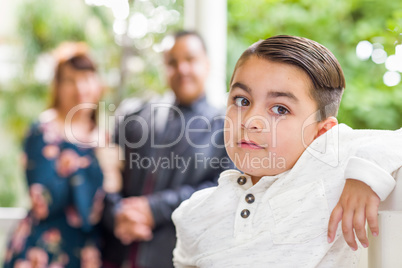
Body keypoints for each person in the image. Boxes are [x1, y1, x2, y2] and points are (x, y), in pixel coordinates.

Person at [172, 35, 402, 267]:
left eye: (280, 109)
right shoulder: (195, 214)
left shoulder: (333, 172)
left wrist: (365, 176)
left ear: (321, 133)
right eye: (242, 101)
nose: (251, 120)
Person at [101, 31, 233, 267]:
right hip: (119, 254)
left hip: (178, 258)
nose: (182, 69)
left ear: (207, 64)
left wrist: (155, 209)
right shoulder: (135, 116)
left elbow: (223, 189)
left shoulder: (225, 127)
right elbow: (108, 176)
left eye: (190, 60)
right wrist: (117, 214)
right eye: (172, 62)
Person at [4, 42, 105, 268]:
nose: (80, 88)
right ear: (57, 86)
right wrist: (92, 168)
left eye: (87, 78)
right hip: (43, 251)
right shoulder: (44, 131)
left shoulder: (105, 136)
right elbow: (44, 201)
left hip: (87, 252)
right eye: (70, 80)